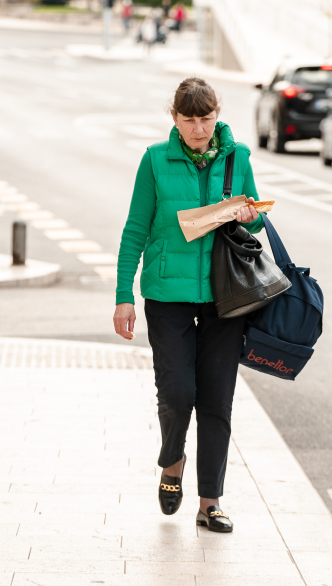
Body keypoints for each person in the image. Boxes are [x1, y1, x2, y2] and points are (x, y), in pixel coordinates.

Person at [113, 78, 263, 534]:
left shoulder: (238, 159)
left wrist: (249, 214)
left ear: (217, 114)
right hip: (168, 297)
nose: (199, 129)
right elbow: (135, 229)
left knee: (217, 401)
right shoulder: (156, 160)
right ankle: (172, 461)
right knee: (178, 395)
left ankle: (210, 502)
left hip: (225, 297)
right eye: (189, 119)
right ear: (174, 118)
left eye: (206, 118)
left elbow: (253, 217)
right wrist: (123, 294)